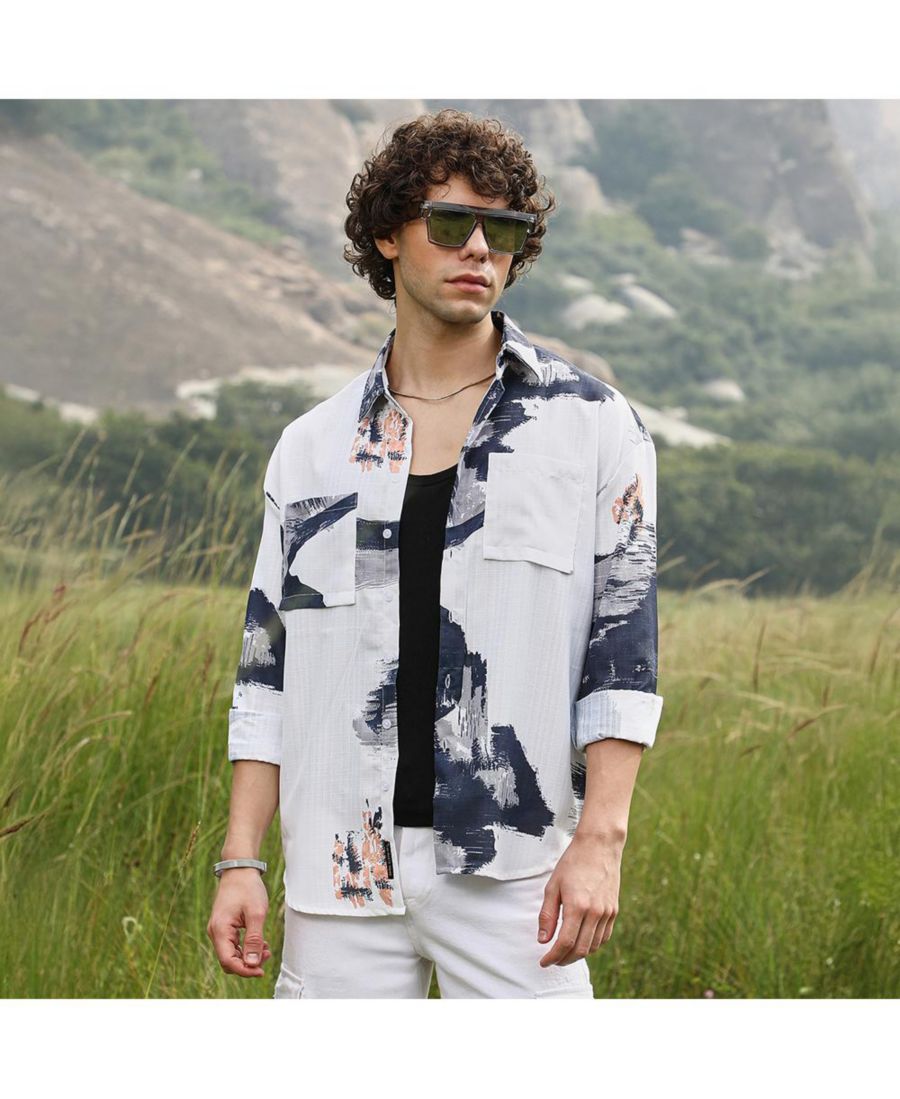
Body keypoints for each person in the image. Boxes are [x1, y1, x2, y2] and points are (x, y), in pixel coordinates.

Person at [206, 107, 664, 998]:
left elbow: (623, 657)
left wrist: (601, 840)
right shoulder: (311, 448)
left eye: (504, 230)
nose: (479, 249)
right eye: (451, 223)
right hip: (340, 867)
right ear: (388, 235)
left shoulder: (595, 427)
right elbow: (267, 672)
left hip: (516, 868)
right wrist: (241, 858)